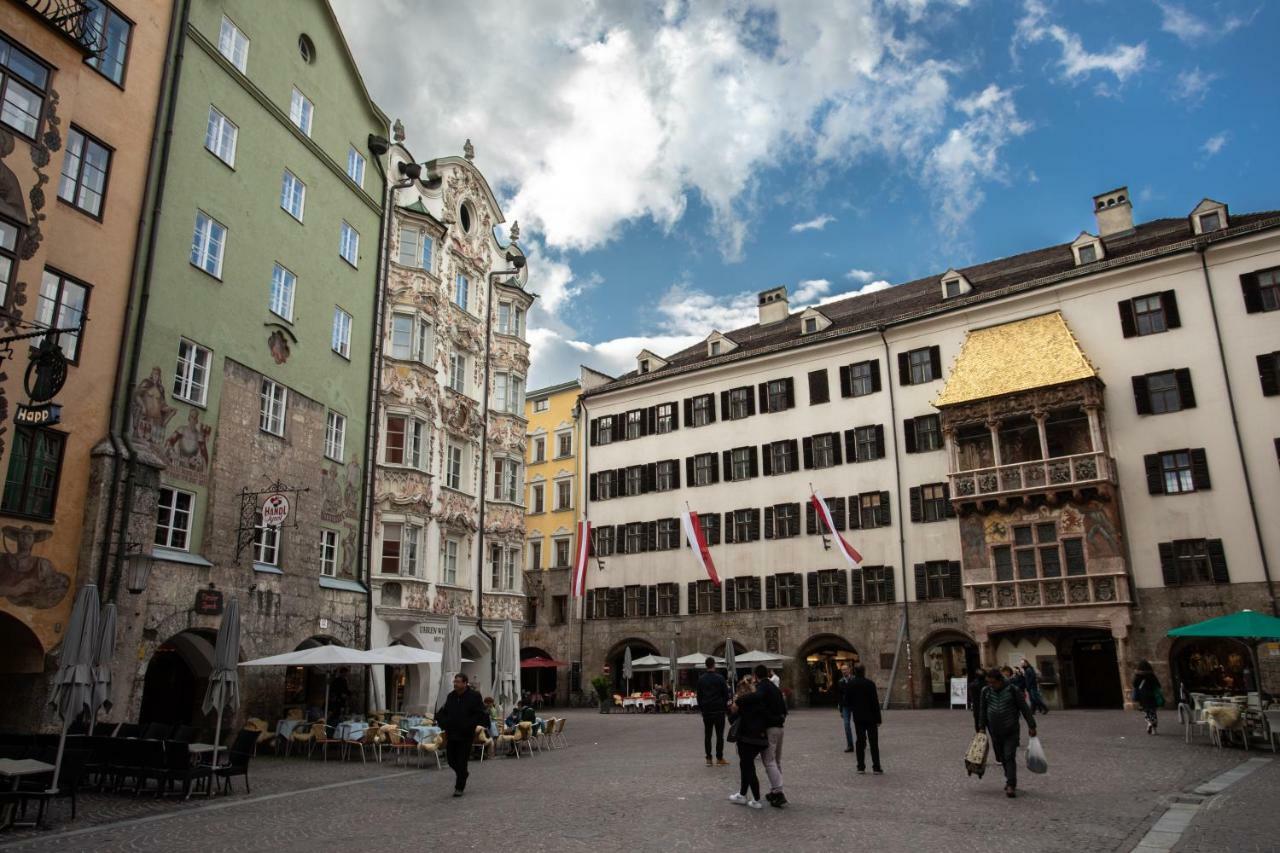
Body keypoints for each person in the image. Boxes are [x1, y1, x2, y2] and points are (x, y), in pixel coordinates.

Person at [977, 668, 1037, 798]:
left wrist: (1031, 725)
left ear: (1000, 680)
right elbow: (982, 710)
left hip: (1011, 729)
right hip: (994, 730)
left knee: (1009, 755)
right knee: (1001, 757)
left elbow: (1024, 708)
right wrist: (981, 727)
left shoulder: (1012, 690)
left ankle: (1011, 784)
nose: (991, 685)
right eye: (989, 682)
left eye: (993, 682)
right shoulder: (986, 691)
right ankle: (1008, 777)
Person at [739, 664, 788, 807]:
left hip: (771, 728)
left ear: (756, 676)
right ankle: (775, 790)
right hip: (780, 727)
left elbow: (757, 696)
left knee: (768, 760)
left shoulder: (763, 687)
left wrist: (740, 700)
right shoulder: (775, 687)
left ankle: (778, 791)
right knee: (776, 760)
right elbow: (784, 708)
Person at [436, 673, 487, 797]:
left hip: (466, 734)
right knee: (451, 759)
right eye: (455, 681)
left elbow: (480, 714)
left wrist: (470, 725)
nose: (455, 684)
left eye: (458, 682)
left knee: (462, 760)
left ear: (465, 683)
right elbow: (443, 712)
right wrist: (443, 722)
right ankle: (463, 773)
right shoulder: (451, 696)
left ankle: (459, 787)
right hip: (452, 733)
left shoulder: (474, 696)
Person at [727, 675, 767, 809]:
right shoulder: (759, 700)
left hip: (746, 738)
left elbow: (733, 720)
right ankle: (743, 794)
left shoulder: (742, 702)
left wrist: (732, 707)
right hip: (760, 738)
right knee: (745, 765)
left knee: (748, 767)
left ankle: (756, 799)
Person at [847, 666, 883, 774]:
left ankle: (860, 767)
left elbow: (848, 702)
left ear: (854, 672)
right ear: (864, 671)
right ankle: (876, 767)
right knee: (873, 742)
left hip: (858, 717)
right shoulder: (870, 684)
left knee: (860, 741)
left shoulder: (851, 684)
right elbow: (875, 702)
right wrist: (878, 718)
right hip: (871, 716)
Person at [696, 657, 731, 767]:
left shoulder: (701, 679)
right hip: (719, 710)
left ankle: (709, 759)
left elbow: (699, 696)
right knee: (719, 735)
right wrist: (724, 706)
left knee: (708, 735)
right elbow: (726, 695)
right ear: (714, 665)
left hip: (707, 711)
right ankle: (719, 758)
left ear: (706, 665)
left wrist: (702, 708)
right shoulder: (720, 678)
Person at [1133, 660, 1161, 735]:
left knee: (1147, 712)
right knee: (1153, 712)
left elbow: (1135, 685)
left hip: (1143, 697)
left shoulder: (1138, 676)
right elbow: (1158, 685)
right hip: (1152, 696)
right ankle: (1154, 729)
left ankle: (1149, 723)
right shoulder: (1151, 675)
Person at [835, 663, 857, 753]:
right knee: (846, 725)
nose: (844, 671)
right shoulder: (840, 682)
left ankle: (862, 741)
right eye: (842, 670)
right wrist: (840, 709)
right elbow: (839, 696)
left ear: (849, 670)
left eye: (845, 669)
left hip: (855, 705)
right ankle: (850, 745)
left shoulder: (855, 679)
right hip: (845, 706)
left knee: (859, 724)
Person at [968, 668, 986, 732]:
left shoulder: (972, 685)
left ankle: (980, 740)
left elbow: (970, 697)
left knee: (979, 728)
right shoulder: (988, 684)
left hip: (977, 708)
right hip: (988, 708)